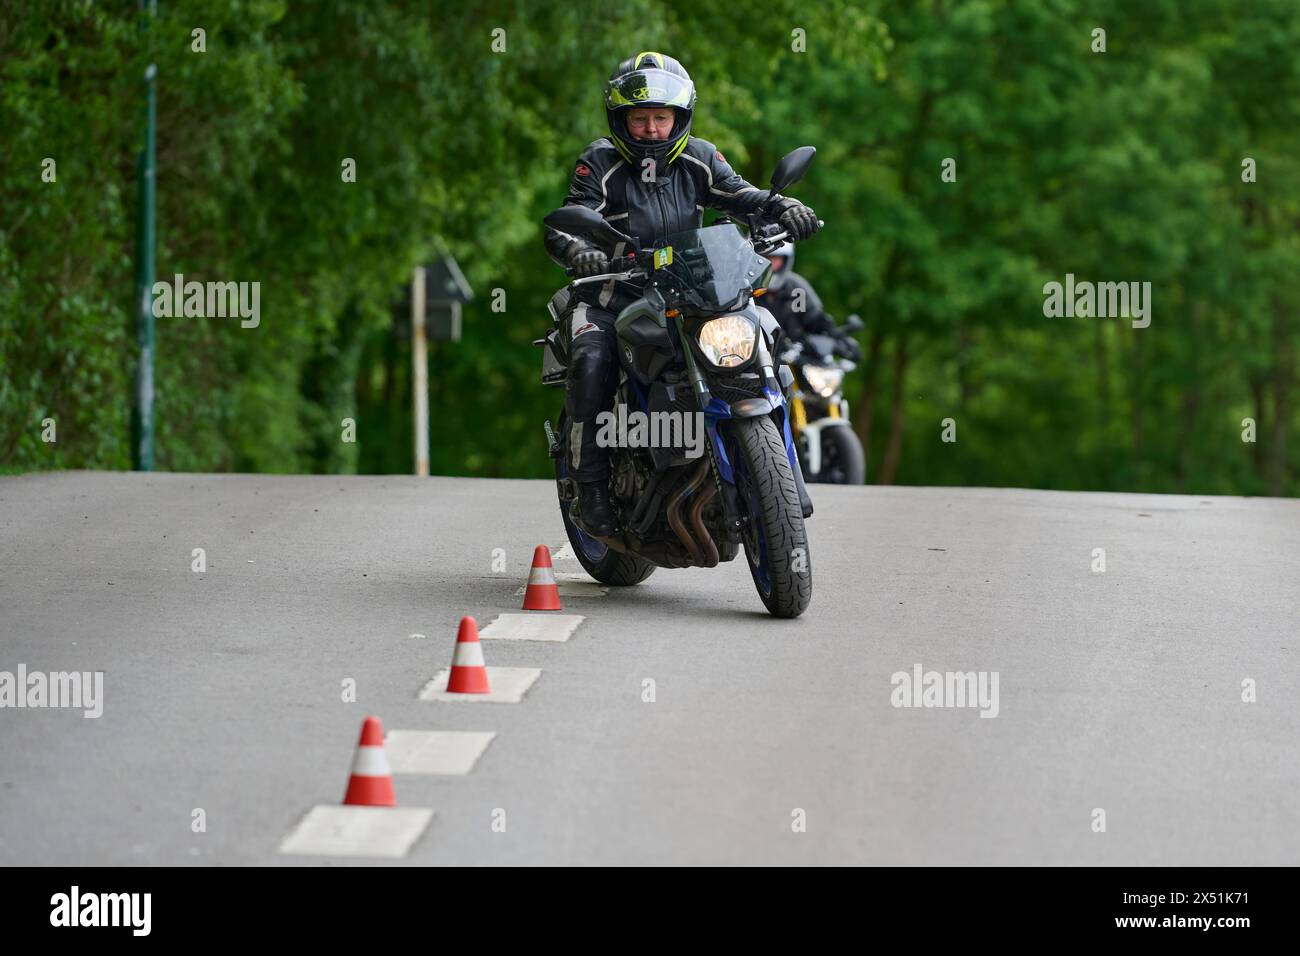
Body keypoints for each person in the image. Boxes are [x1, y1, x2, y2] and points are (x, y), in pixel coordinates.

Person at [544, 51, 821, 536]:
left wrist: (786, 205)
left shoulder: (699, 157)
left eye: (661, 117)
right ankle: (589, 489)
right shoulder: (599, 162)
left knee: (767, 335)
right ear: (621, 120)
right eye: (640, 118)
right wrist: (581, 251)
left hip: (691, 291)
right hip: (615, 296)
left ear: (679, 117)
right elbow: (567, 222)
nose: (652, 129)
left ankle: (781, 469)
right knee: (591, 358)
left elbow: (742, 195)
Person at [762, 240, 863, 362]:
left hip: (790, 359)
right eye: (766, 258)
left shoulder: (795, 289)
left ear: (786, 260)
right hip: (749, 356)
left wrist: (837, 338)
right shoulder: (745, 288)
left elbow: (814, 319)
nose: (771, 263)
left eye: (776, 258)